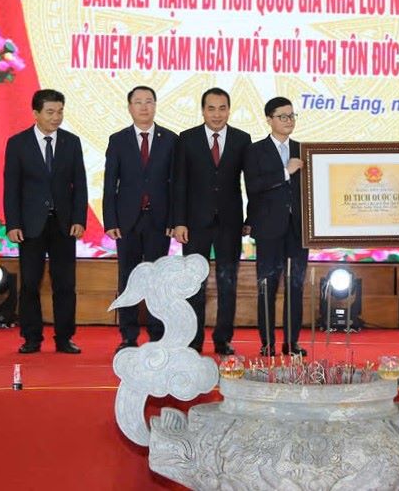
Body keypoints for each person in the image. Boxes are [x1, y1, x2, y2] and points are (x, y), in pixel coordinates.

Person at [3, 89, 88, 355]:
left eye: (60, 111)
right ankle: (31, 338)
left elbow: (80, 185)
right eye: (50, 112)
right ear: (36, 113)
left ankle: (64, 338)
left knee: (65, 284)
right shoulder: (18, 143)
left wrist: (79, 219)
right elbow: (11, 187)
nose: (56, 117)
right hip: (30, 225)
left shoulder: (71, 142)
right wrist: (13, 223)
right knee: (30, 283)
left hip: (63, 224)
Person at [172, 88, 251, 355]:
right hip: (195, 223)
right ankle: (193, 340)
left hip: (230, 222)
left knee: (228, 281)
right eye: (211, 108)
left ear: (229, 109)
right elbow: (180, 183)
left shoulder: (242, 139)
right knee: (194, 284)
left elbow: (249, 182)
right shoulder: (187, 139)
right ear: (203, 110)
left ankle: (222, 339)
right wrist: (179, 221)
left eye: (222, 108)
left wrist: (249, 218)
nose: (217, 114)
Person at [104, 86, 176, 353]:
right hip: (127, 221)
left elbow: (175, 184)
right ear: (129, 107)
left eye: (149, 102)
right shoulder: (118, 140)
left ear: (155, 105)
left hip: (159, 220)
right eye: (138, 102)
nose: (144, 107)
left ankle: (157, 334)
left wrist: (174, 218)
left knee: (158, 279)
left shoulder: (170, 139)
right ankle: (128, 334)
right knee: (128, 278)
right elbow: (110, 183)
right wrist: (111, 220)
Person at [244, 97, 307, 357]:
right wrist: (285, 172)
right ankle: (267, 343)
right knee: (267, 287)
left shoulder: (304, 150)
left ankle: (291, 343)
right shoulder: (255, 151)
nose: (289, 121)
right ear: (269, 119)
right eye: (283, 116)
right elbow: (254, 187)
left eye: (292, 116)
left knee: (296, 287)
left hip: (299, 230)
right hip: (269, 229)